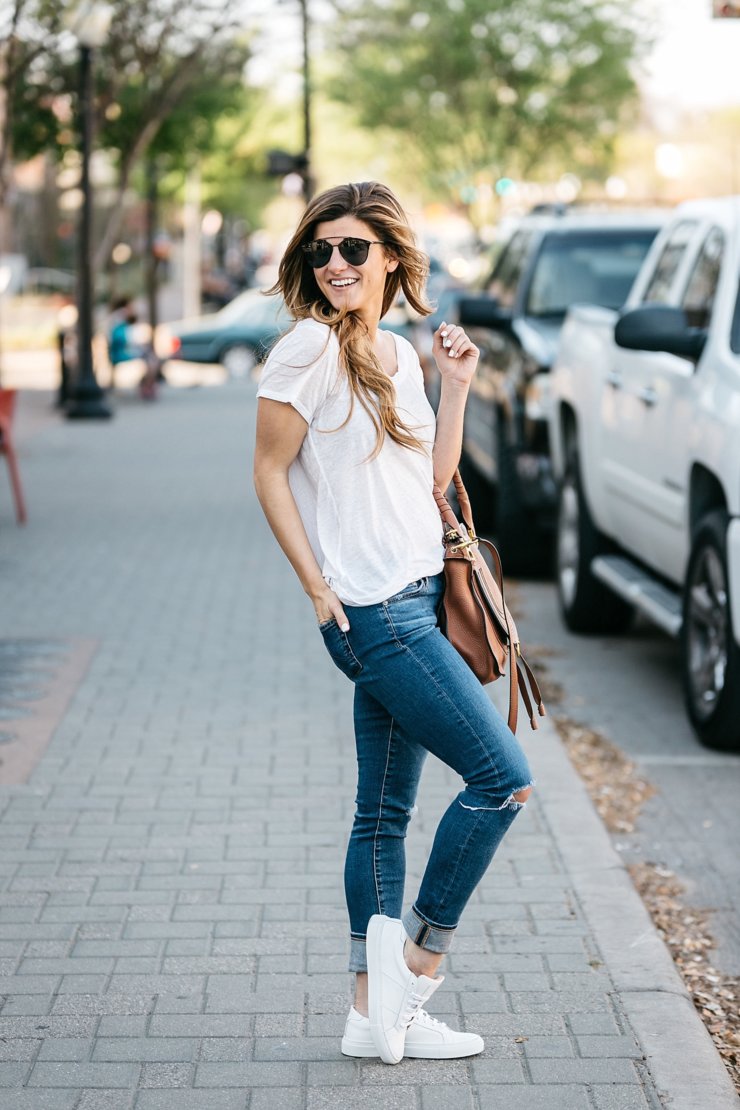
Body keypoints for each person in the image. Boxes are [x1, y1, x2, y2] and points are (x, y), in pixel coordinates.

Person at [253, 181, 533, 1066]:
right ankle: (416, 973)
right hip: (375, 613)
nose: (334, 264)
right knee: (503, 781)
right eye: (321, 251)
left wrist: (456, 386)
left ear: (391, 261)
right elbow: (267, 474)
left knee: (382, 813)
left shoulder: (401, 353)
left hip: (416, 595)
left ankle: (369, 1013)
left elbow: (433, 477)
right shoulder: (305, 349)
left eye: (353, 250)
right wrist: (316, 590)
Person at [107, 297, 161, 400]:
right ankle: (147, 384)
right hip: (122, 352)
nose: (132, 309)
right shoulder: (120, 318)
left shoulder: (119, 321)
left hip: (122, 350)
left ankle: (146, 383)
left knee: (150, 358)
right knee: (151, 359)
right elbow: (121, 339)